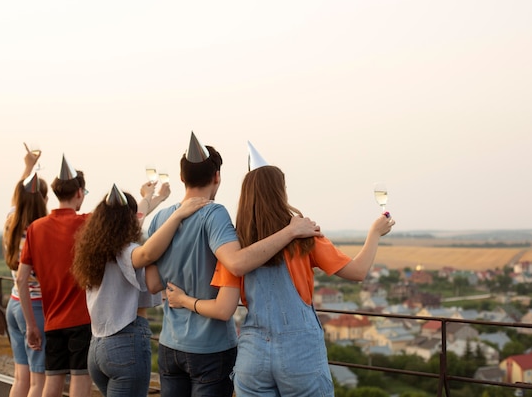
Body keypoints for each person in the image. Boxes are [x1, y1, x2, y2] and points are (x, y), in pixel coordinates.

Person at [164, 142, 395, 397]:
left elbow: (223, 309)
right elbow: (358, 271)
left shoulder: (236, 246)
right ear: (280, 192)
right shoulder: (305, 236)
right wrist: (375, 233)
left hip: (252, 357)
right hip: (301, 354)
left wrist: (183, 300)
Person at [145, 132, 322, 397]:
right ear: (217, 176)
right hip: (210, 348)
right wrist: (289, 232)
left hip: (170, 345)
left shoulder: (160, 220)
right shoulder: (214, 214)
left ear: (182, 178)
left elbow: (153, 284)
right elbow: (237, 263)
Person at [70, 182, 209, 397]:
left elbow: (138, 216)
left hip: (97, 348)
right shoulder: (127, 250)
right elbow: (145, 255)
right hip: (125, 344)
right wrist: (177, 215)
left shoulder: (95, 251)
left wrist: (152, 197)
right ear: (128, 222)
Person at [16, 154, 93, 397]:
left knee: (52, 384)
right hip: (82, 319)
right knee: (81, 384)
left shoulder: (36, 228)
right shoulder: (88, 223)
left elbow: (20, 279)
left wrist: (30, 325)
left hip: (51, 320)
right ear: (79, 192)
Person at [3, 144, 48, 397]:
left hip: (14, 303)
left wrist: (28, 166)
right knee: (37, 383)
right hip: (35, 307)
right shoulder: (39, 233)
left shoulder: (11, 221)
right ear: (42, 200)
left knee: (21, 379)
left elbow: (16, 196)